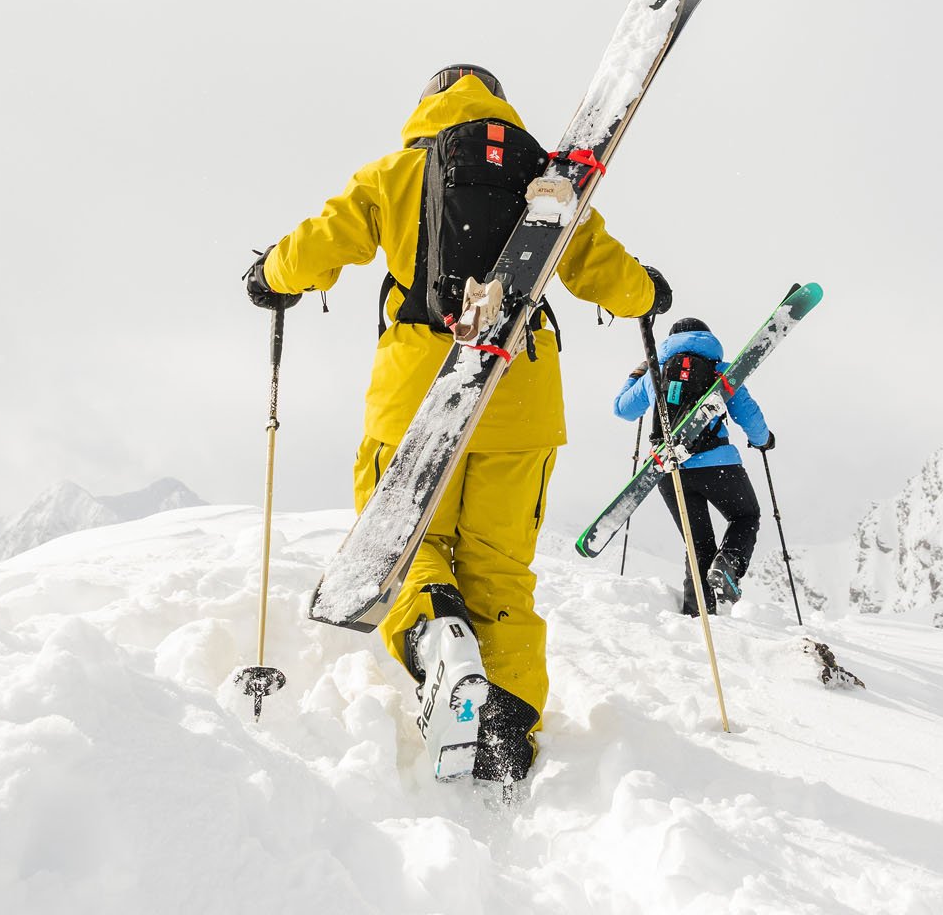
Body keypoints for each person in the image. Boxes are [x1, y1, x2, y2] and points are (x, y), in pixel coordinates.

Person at [242, 62, 670, 792]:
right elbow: (609, 275)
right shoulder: (548, 184)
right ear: (500, 104)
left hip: (419, 396)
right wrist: (650, 289)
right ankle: (508, 728)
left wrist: (269, 277)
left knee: (402, 548)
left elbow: (319, 245)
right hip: (522, 394)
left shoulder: (397, 173)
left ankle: (438, 637)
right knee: (500, 567)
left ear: (427, 105)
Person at [612, 316, 774, 616]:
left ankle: (695, 613)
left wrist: (637, 375)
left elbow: (622, 409)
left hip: (668, 470)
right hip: (718, 466)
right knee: (746, 515)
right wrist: (764, 440)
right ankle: (729, 561)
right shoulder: (721, 371)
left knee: (697, 542)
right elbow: (748, 414)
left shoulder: (656, 373)